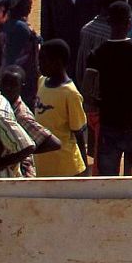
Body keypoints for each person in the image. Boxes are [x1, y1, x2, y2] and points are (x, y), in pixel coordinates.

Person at [83, 0, 132, 174]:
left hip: (110, 125)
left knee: (109, 182)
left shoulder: (98, 53)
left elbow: (87, 88)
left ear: (109, 22)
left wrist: (100, 104)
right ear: (129, 22)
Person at [32, 39, 87, 176]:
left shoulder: (70, 93)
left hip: (66, 167)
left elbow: (79, 133)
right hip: (42, 165)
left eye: (44, 60)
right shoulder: (42, 82)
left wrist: (84, 169)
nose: (40, 64)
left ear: (58, 62)